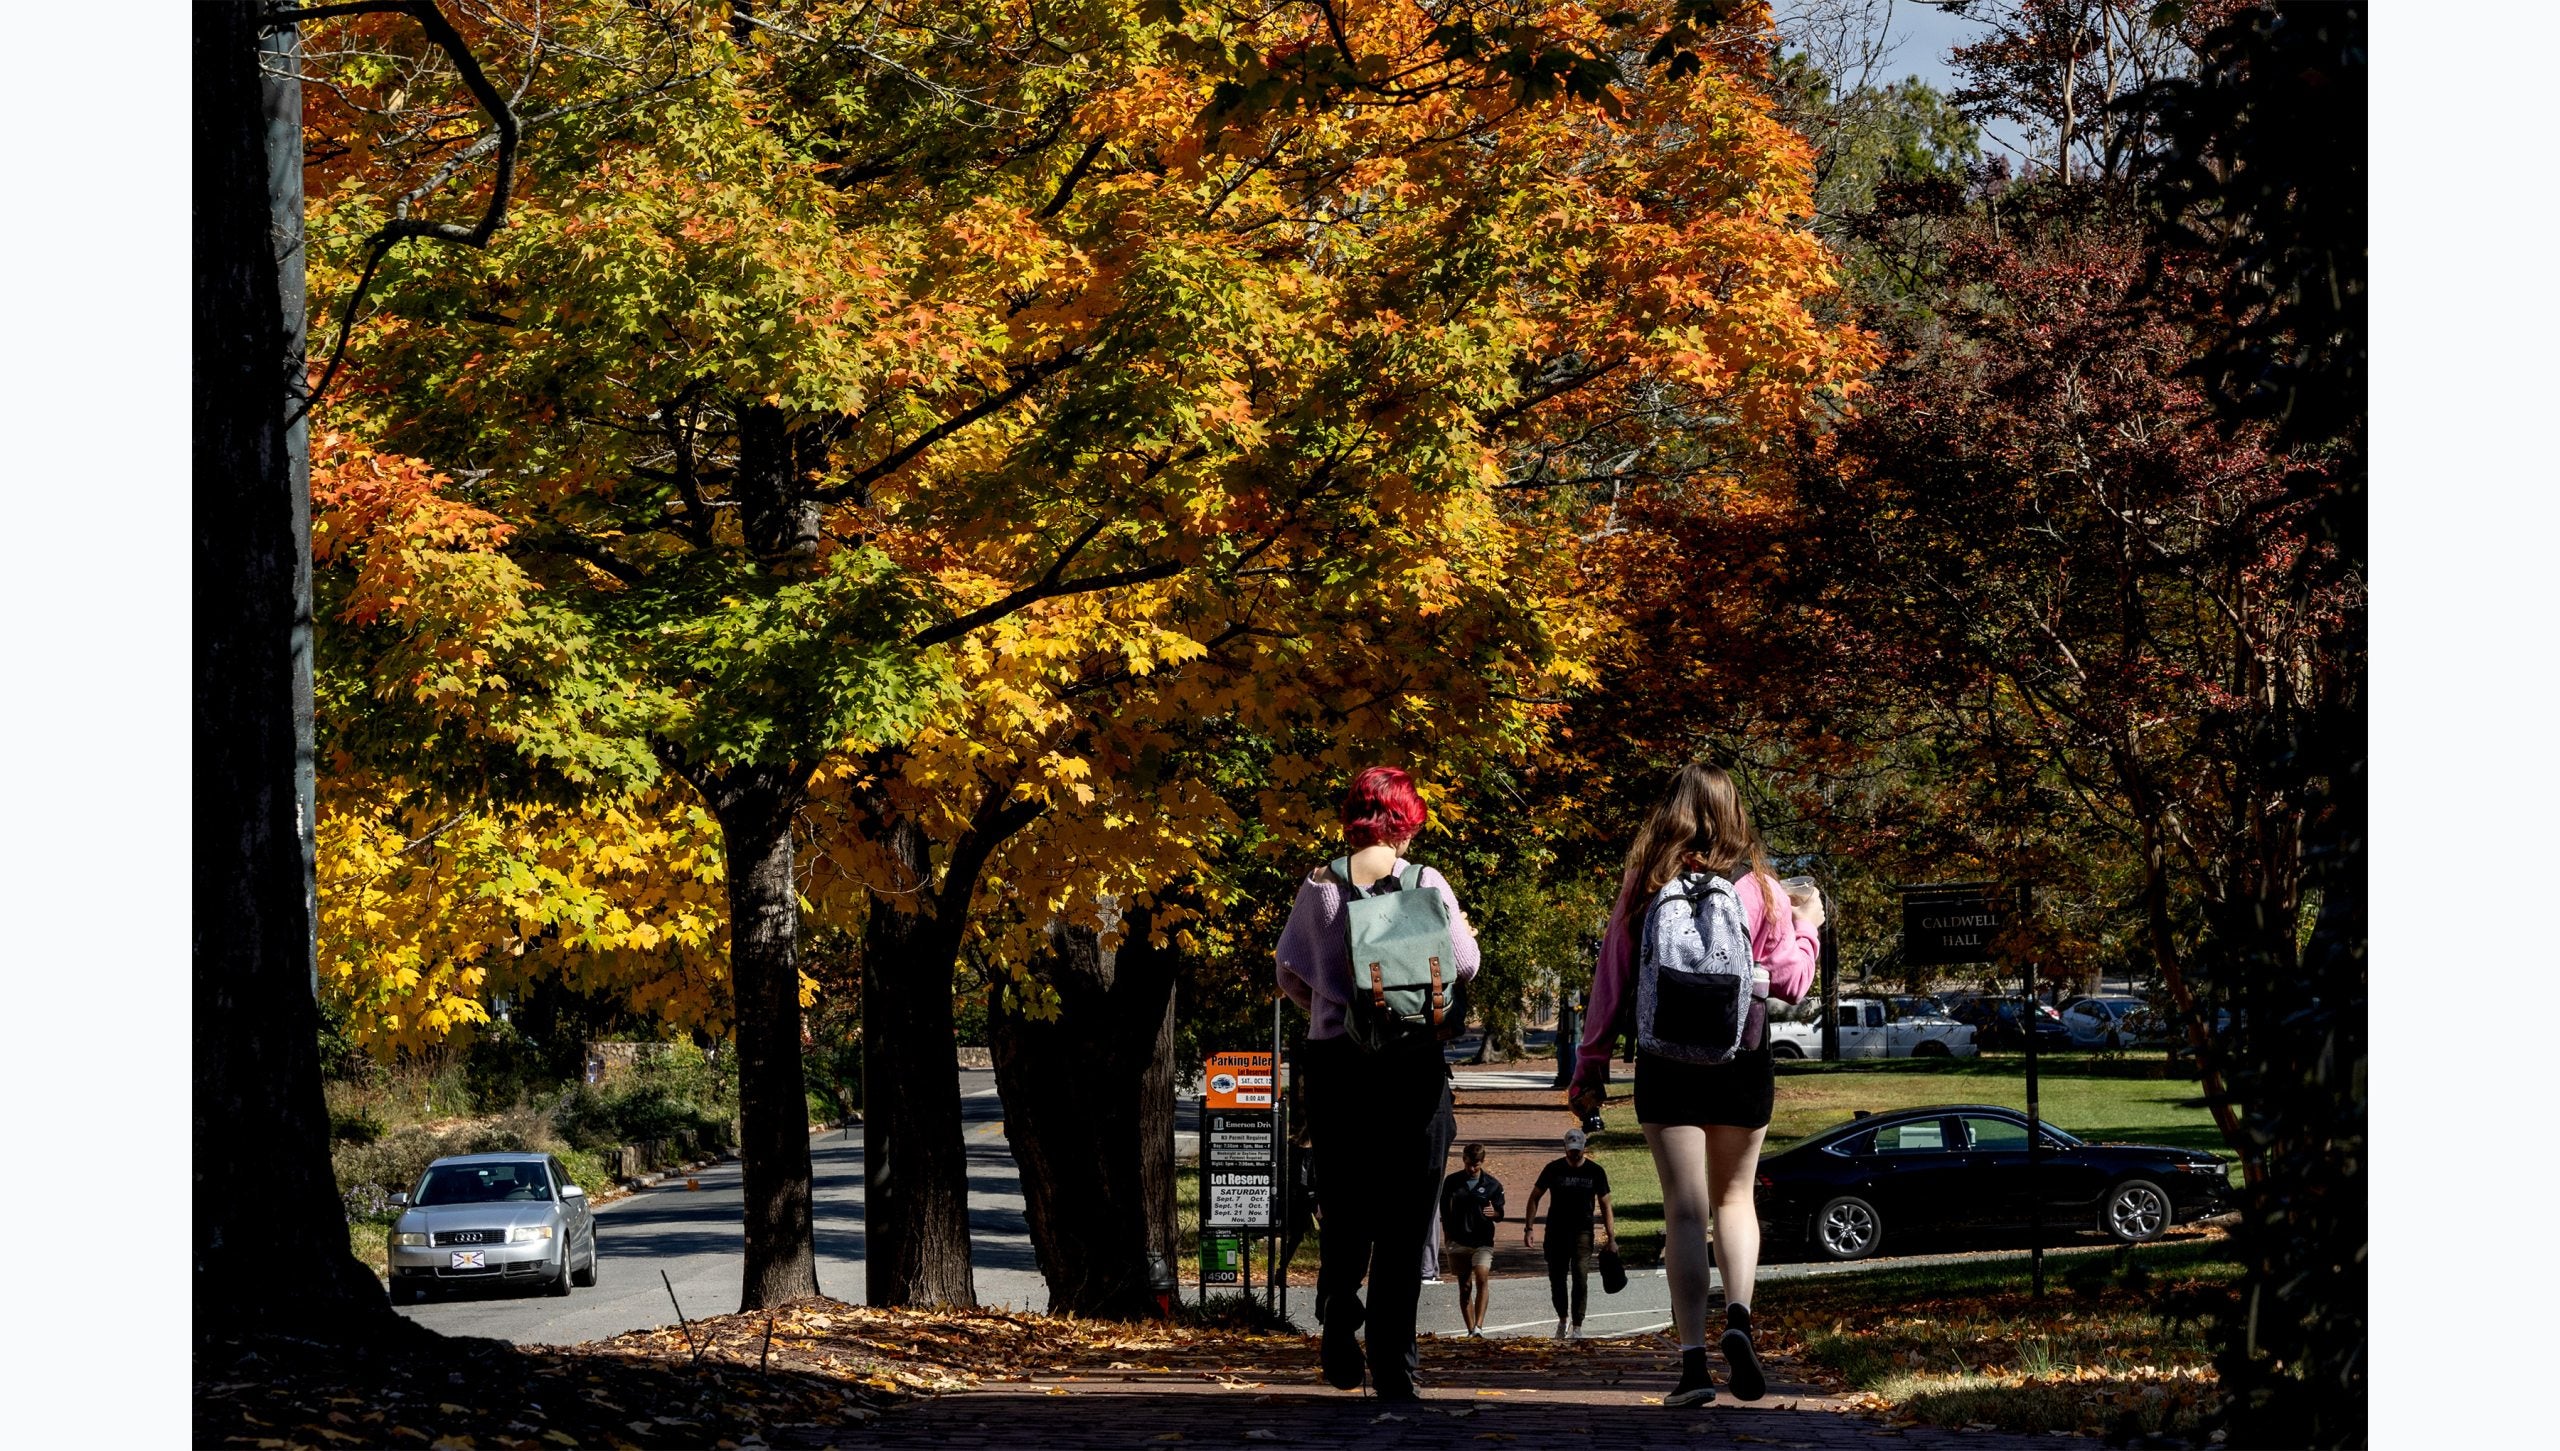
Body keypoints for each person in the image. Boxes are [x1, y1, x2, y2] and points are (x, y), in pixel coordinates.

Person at [1569, 762, 1819, 1409]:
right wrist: (1809, 923)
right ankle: (1738, 1316)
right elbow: (1792, 984)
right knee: (1735, 1199)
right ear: (1734, 814)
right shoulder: (1761, 889)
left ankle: (1691, 1365)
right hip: (1744, 1054)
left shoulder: (1646, 883)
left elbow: (1612, 980)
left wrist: (1590, 1062)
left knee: (1685, 1208)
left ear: (1671, 812)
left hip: (1666, 1059)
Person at [1276, 766, 1482, 1401]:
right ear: (1404, 821)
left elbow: (1290, 972)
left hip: (1338, 1067)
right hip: (1412, 1067)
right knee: (1406, 1215)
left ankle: (1340, 1314)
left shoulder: (1320, 886)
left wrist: (1333, 1004)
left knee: (1344, 1203)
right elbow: (1465, 964)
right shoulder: (1425, 883)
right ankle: (1395, 1364)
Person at [1522, 1128, 1615, 1338]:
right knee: (1557, 1278)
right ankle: (1563, 1318)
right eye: (1571, 1150)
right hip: (1556, 1232)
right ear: (1565, 1148)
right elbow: (1534, 1196)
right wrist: (1529, 1228)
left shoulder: (1595, 1171)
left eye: (1578, 1150)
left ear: (1584, 1148)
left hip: (1582, 1232)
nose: (1574, 1154)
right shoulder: (1553, 1169)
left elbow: (1606, 1204)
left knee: (1580, 1277)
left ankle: (1578, 1325)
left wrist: (1611, 1238)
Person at [1439, 1144, 1505, 1335]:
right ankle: (1470, 1329)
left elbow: (1500, 1212)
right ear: (1463, 1160)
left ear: (1482, 1162)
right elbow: (1444, 1210)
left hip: (1482, 1240)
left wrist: (1496, 1213)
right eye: (1469, 1164)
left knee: (1482, 1275)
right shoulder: (1452, 1182)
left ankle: (1479, 1326)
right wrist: (1447, 1237)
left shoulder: (1493, 1185)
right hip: (1458, 1239)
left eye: (1476, 1165)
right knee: (1465, 1285)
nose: (1472, 1169)